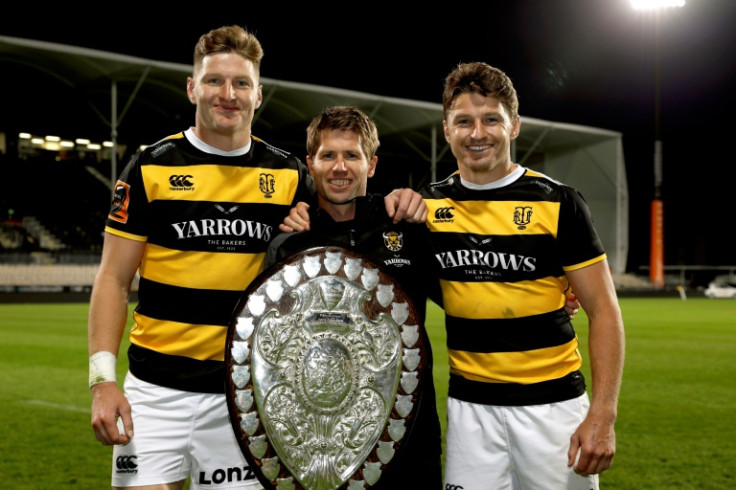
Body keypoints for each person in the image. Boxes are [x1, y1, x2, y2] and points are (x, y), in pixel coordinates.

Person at [87, 25, 426, 490]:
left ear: (258, 94)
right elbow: (112, 279)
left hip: (245, 393)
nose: (228, 94)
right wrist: (103, 380)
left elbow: (344, 211)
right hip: (156, 389)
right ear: (193, 88)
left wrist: (397, 203)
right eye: (214, 81)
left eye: (241, 83)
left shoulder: (287, 174)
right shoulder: (150, 165)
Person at [423, 62, 625, 489]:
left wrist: (603, 415)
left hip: (553, 409)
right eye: (464, 121)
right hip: (469, 411)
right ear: (446, 129)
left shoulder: (559, 202)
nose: (477, 133)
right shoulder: (426, 208)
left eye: (491, 119)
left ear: (513, 126)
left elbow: (604, 311)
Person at [265, 105, 443, 489]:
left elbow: (469, 294)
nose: (340, 167)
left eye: (352, 155)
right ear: (310, 163)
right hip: (320, 448)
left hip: (408, 434)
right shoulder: (290, 244)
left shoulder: (406, 227)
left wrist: (551, 294)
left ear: (372, 165)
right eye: (328, 155)